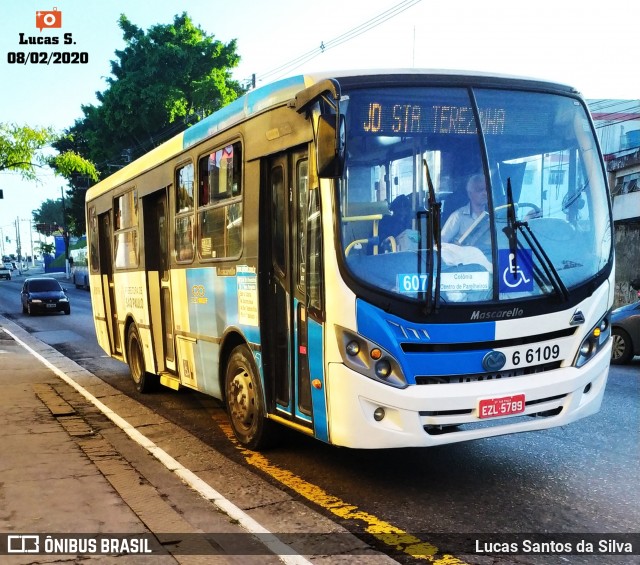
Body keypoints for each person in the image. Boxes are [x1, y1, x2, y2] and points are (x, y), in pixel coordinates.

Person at [441, 173, 489, 247]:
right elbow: (441, 243)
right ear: (470, 194)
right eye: (479, 190)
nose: (485, 193)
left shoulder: (495, 215)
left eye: (486, 190)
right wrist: (456, 248)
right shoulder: (458, 216)